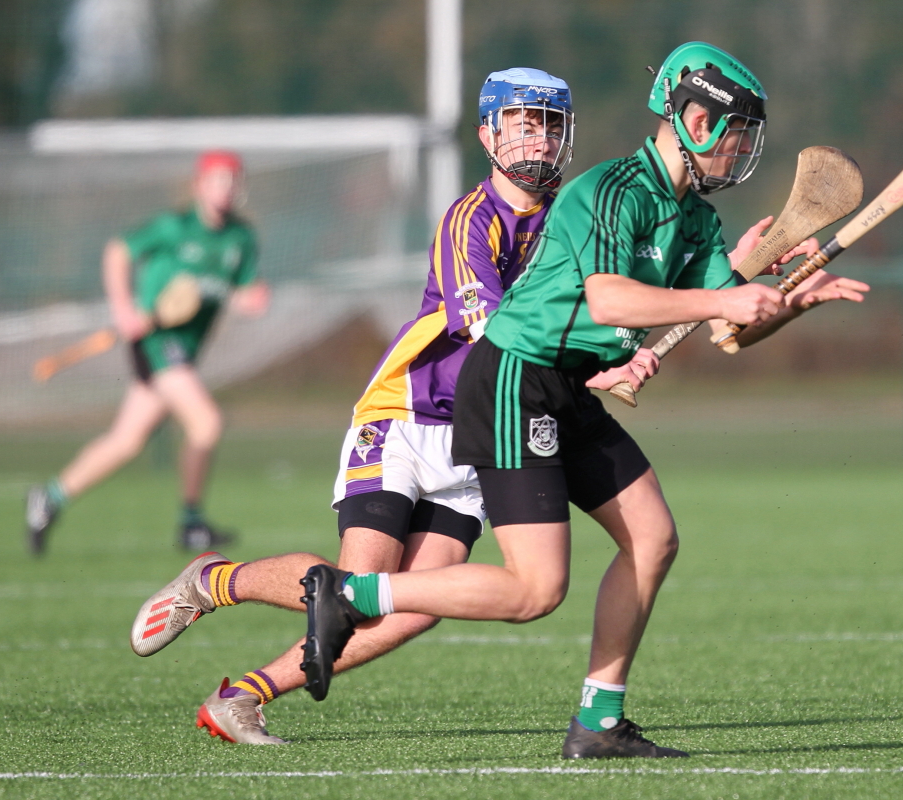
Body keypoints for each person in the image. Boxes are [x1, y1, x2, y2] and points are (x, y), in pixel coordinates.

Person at [301, 42, 871, 759]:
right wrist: (726, 292)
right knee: (535, 590)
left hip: (568, 390)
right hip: (515, 379)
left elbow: (727, 328)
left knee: (654, 539)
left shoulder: (693, 220)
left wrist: (790, 302)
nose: (738, 151)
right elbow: (609, 300)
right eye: (733, 134)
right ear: (692, 118)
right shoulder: (613, 191)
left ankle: (598, 723)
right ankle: (354, 595)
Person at [128, 68, 592, 745]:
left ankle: (244, 697)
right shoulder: (471, 219)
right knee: (358, 583)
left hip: (479, 441)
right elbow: (495, 331)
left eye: (551, 125)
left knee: (415, 606)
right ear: (488, 133)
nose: (539, 139)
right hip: (404, 418)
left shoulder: (566, 228)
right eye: (524, 122)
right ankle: (211, 580)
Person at [25, 151, 270, 555]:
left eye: (232, 181)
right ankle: (191, 522)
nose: (225, 189)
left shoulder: (241, 238)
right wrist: (124, 309)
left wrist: (252, 298)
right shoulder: (173, 228)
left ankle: (49, 497)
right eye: (217, 180)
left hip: (185, 351)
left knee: (126, 441)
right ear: (199, 185)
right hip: (156, 342)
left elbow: (245, 291)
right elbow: (118, 251)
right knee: (206, 422)